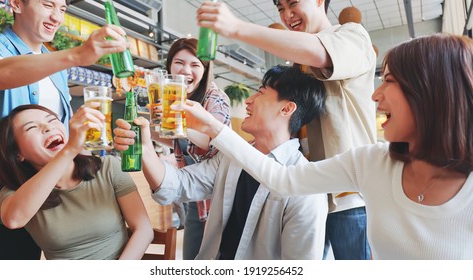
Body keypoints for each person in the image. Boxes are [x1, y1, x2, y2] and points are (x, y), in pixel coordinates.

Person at [177, 34, 473, 259]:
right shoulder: (372, 162)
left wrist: (236, 28)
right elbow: (283, 180)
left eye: (390, 81)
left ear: (432, 91)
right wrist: (213, 128)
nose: (375, 96)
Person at [197, 0, 376, 259]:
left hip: (347, 198)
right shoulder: (298, 66)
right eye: (280, 8)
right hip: (309, 192)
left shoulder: (351, 35)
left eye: (293, 3)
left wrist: (236, 28)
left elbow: (321, 53)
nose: (287, 15)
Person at [115, 65, 328, 259]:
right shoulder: (231, 160)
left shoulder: (306, 186)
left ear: (286, 109)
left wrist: (209, 126)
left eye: (261, 93)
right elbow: (177, 185)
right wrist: (143, 147)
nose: (248, 100)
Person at [0, 0, 130, 259]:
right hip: (14, 198)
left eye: (62, 9)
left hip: (61, 199)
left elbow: (64, 136)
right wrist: (76, 55)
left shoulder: (57, 69)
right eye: (48, 5)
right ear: (16, 4)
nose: (57, 17)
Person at [0, 104, 153, 259]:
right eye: (31, 127)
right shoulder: (15, 193)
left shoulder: (108, 167)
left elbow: (144, 229)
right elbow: (14, 219)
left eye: (52, 120)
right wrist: (70, 150)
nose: (48, 127)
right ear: (18, 154)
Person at [152, 38, 231, 260]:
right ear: (169, 67)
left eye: (195, 65)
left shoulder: (215, 98)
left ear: (205, 71)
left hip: (218, 196)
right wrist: (150, 127)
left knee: (212, 258)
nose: (186, 70)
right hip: (195, 195)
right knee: (192, 258)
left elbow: (214, 141)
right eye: (179, 63)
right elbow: (180, 143)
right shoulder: (179, 99)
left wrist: (177, 121)